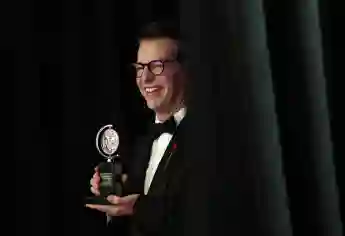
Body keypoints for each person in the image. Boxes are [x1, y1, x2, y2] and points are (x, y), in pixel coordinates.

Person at [86, 21, 190, 236]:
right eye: (140, 67)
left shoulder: (210, 137)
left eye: (156, 66)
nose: (145, 79)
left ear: (184, 68)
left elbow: (203, 212)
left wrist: (138, 207)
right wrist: (115, 192)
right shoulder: (141, 143)